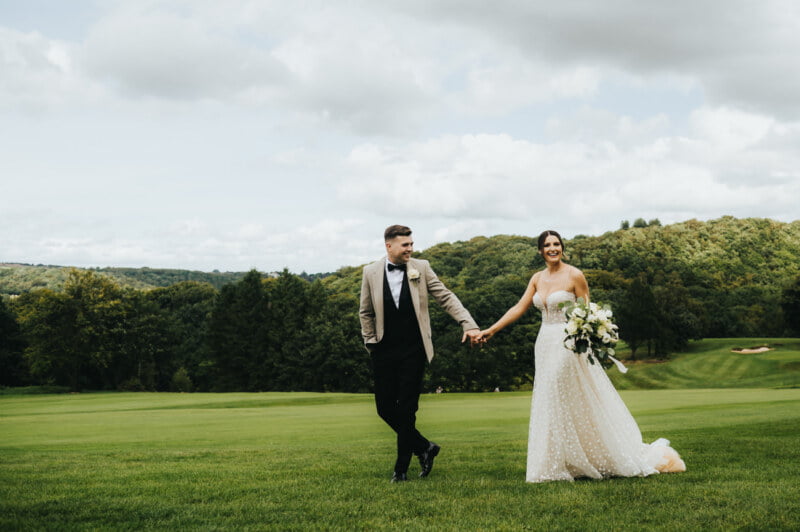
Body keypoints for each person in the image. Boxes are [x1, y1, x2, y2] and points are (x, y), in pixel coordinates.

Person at [477, 230, 685, 483]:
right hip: (544, 342)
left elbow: (587, 314)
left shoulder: (574, 275)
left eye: (556, 244)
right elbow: (519, 307)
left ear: (562, 248)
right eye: (547, 245)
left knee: (557, 389)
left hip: (569, 342)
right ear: (540, 250)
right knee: (550, 398)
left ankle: (588, 457)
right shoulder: (537, 278)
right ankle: (561, 461)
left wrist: (586, 336)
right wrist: (491, 330)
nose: (553, 248)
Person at [360, 224, 481, 482]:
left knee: (407, 409)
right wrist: (371, 341)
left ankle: (400, 470)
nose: (410, 249)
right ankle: (425, 447)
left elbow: (446, 297)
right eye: (405, 245)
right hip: (383, 349)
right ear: (389, 245)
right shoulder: (370, 272)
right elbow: (365, 312)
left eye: (411, 244)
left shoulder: (421, 268)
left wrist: (468, 324)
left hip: (413, 349)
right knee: (384, 408)